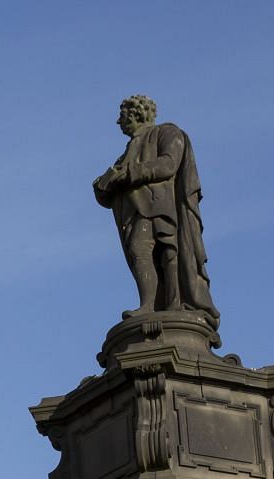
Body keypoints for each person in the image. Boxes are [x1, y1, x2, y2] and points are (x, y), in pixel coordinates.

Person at [91, 94, 219, 323]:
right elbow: (107, 192)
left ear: (137, 114)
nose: (118, 122)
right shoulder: (126, 152)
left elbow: (168, 164)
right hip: (135, 211)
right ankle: (149, 304)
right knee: (140, 252)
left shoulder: (167, 133)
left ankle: (172, 304)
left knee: (168, 252)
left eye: (122, 116)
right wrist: (103, 185)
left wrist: (130, 173)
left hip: (159, 206)